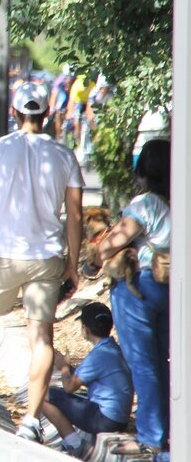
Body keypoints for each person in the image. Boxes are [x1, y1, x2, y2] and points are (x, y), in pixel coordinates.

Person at [0, 82, 84, 443]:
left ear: (14, 113)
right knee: (41, 336)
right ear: (47, 114)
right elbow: (75, 216)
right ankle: (30, 420)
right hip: (46, 256)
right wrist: (73, 263)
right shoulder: (64, 155)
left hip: (4, 252)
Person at [93, 139, 170, 456]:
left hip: (139, 288)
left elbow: (108, 246)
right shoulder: (179, 200)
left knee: (143, 364)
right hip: (170, 286)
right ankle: (167, 430)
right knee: (164, 362)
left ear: (143, 171)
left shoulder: (146, 204)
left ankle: (150, 436)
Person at [42, 302, 132, 458]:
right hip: (120, 418)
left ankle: (75, 444)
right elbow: (83, 378)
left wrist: (63, 367)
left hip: (105, 419)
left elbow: (70, 387)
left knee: (43, 395)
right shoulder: (113, 349)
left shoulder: (98, 355)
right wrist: (68, 368)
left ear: (85, 329)